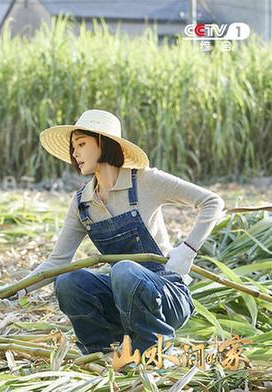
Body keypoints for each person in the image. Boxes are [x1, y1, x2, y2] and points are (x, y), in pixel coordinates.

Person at [17, 109, 225, 355]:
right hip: (121, 303)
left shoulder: (145, 181)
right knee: (67, 281)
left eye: (82, 144)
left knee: (124, 270)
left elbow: (212, 202)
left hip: (166, 298)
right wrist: (13, 291)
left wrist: (187, 250)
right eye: (73, 147)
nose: (75, 153)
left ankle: (152, 352)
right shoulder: (82, 203)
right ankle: (99, 353)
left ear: (103, 145)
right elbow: (56, 262)